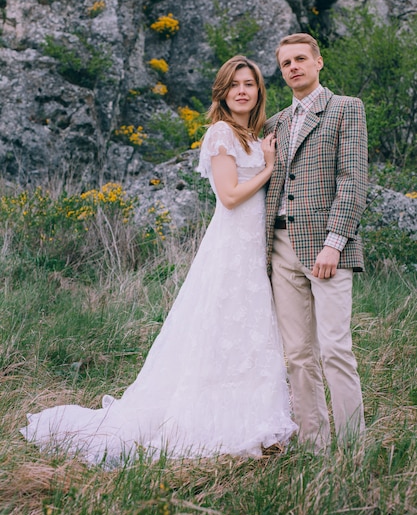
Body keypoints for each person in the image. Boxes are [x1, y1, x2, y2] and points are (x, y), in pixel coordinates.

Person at [20, 56, 297, 467]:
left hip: (253, 250)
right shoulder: (221, 133)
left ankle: (255, 417)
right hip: (230, 248)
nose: (243, 90)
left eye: (250, 84)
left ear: (259, 91)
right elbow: (231, 196)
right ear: (222, 92)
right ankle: (208, 422)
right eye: (234, 84)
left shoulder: (255, 137)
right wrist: (270, 167)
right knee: (223, 328)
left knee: (248, 332)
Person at [265, 33, 368, 453]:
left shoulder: (346, 109)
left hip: (328, 247)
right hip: (280, 248)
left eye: (301, 59)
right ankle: (314, 446)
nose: (293, 67)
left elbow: (353, 179)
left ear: (318, 62)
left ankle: (353, 446)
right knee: (297, 355)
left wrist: (334, 243)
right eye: (286, 62)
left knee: (336, 348)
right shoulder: (274, 124)